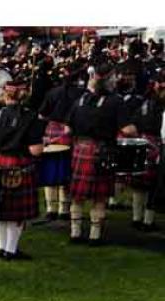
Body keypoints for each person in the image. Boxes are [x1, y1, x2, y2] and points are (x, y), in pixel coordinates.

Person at [66, 63, 138, 245]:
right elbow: (127, 130)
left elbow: (67, 128)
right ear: (107, 80)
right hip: (103, 150)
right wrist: (136, 129)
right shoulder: (116, 101)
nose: (116, 80)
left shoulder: (81, 100)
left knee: (77, 195)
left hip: (80, 149)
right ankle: (94, 236)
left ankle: (75, 233)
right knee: (99, 197)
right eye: (113, 76)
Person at [0, 81, 45, 260]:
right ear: (22, 94)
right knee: (16, 214)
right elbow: (36, 150)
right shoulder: (30, 116)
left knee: (1, 211)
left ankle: (2, 248)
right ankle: (11, 250)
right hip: (19, 164)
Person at [38, 60, 85, 220]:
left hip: (52, 131)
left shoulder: (52, 92)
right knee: (66, 170)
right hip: (70, 132)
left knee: (51, 168)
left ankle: (51, 208)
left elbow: (42, 115)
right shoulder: (82, 94)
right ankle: (64, 209)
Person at [125, 68, 164, 231]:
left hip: (139, 141)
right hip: (155, 144)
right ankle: (147, 221)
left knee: (139, 185)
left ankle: (136, 218)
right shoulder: (160, 105)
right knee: (152, 185)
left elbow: (132, 123)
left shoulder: (143, 101)